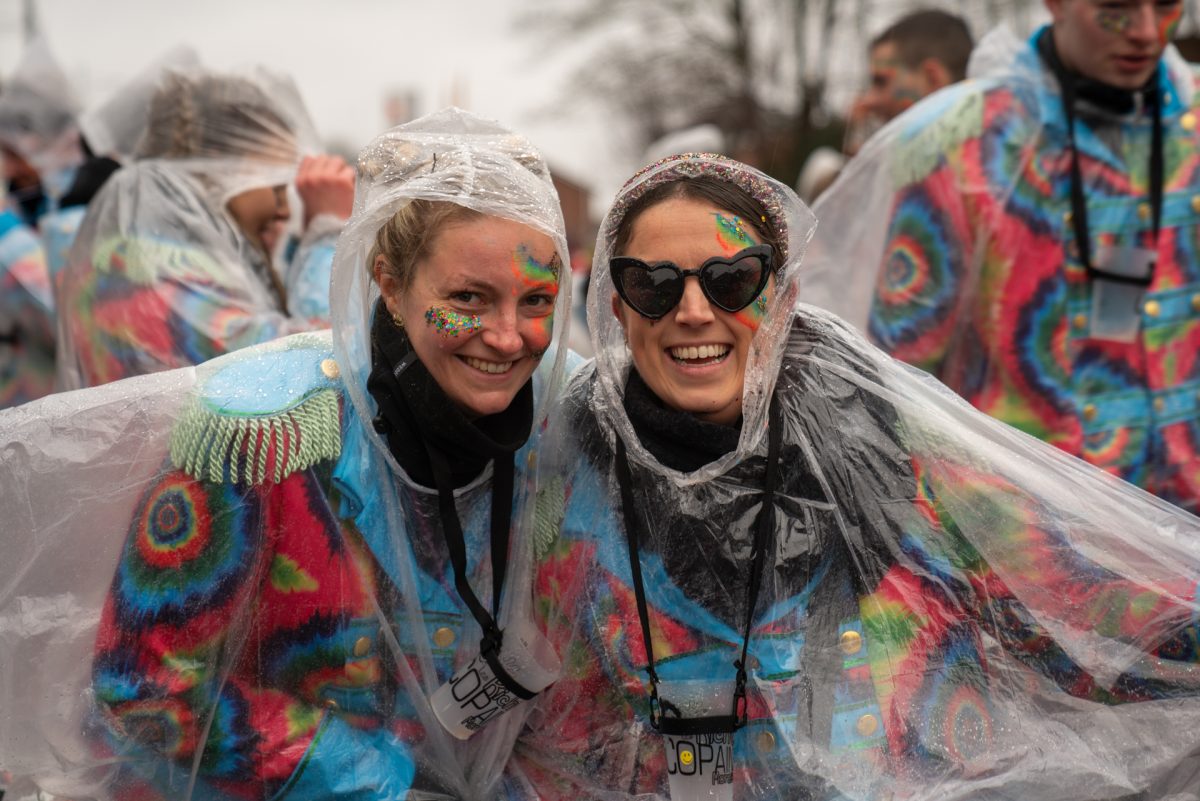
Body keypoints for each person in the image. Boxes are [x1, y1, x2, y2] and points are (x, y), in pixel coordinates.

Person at [508, 152, 1200, 800]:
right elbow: (544, 726)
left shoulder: (883, 439)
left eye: (733, 280)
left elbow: (1072, 602)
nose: (693, 311)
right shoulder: (573, 468)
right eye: (653, 284)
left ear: (783, 296)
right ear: (618, 305)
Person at [0, 108, 575, 800]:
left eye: (536, 299)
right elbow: (145, 681)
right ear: (390, 283)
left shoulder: (557, 424)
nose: (508, 337)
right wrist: (376, 778)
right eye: (468, 298)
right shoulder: (260, 435)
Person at [801, 0, 1200, 513]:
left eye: (1167, 4)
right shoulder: (962, 143)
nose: (1147, 31)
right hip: (1039, 538)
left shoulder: (1191, 129)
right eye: (1115, 8)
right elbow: (900, 373)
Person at [54, 66, 355, 390]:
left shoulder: (149, 245)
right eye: (276, 186)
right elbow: (313, 367)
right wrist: (326, 232)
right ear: (223, 171)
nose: (284, 210)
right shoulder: (151, 267)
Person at [0, 38, 81, 407]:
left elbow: (63, 314)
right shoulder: (28, 200)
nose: (10, 164)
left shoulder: (83, 203)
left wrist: (6, 229)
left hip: (62, 410)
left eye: (13, 151)